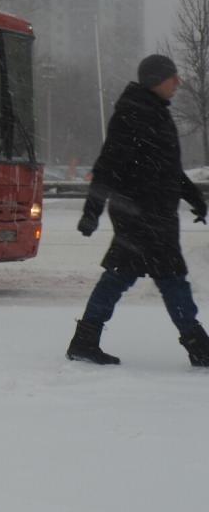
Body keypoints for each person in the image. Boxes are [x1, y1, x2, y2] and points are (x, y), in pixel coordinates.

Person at [68, 54, 209, 366]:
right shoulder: (133, 114)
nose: (178, 82)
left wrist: (194, 197)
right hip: (142, 217)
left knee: (121, 277)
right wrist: (91, 211)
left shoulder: (154, 112)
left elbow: (167, 168)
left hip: (151, 215)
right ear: (157, 79)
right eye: (173, 77)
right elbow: (107, 167)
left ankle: (85, 340)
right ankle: (199, 345)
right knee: (171, 278)